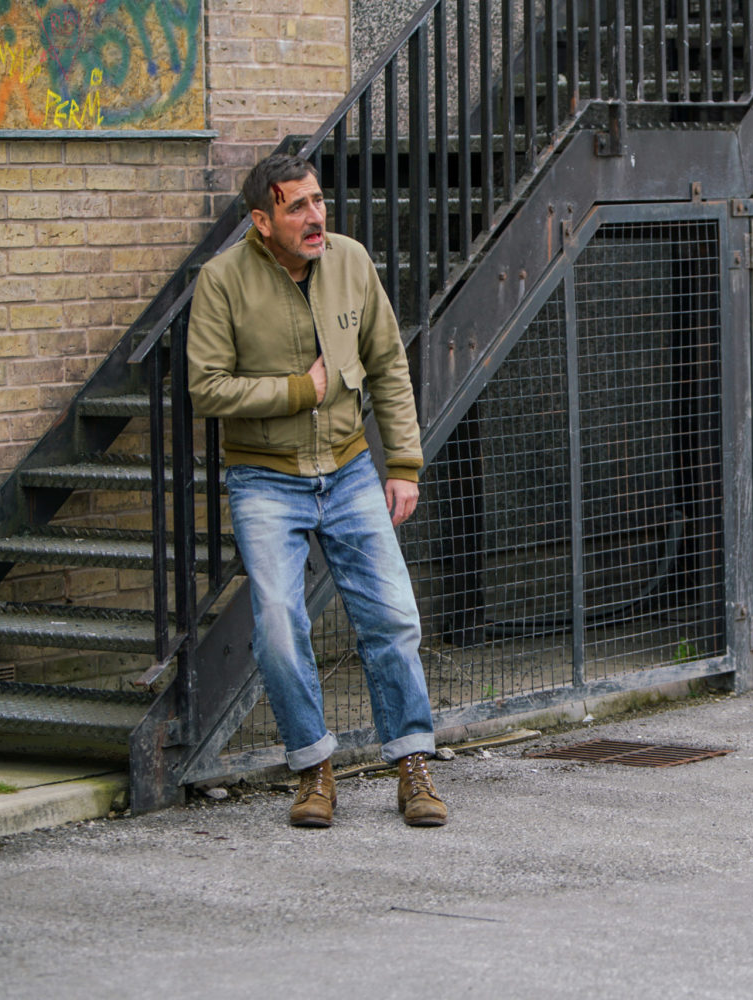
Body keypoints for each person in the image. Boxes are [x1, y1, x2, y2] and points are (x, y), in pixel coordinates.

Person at [188, 153, 447, 829]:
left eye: (318, 201)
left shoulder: (352, 261)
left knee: (392, 616)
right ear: (261, 219)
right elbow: (206, 388)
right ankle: (312, 769)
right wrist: (302, 390)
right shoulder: (221, 282)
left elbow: (388, 363)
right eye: (296, 206)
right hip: (264, 479)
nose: (315, 216)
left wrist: (404, 464)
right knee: (278, 627)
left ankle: (412, 763)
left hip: (351, 465)